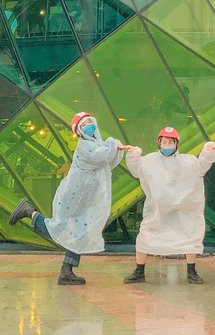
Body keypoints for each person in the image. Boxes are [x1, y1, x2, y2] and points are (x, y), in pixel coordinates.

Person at [8, 111, 129, 286]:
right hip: (74, 197)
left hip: (83, 198)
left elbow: (108, 162)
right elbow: (102, 157)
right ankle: (29, 212)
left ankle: (67, 270)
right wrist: (113, 143)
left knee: (79, 232)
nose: (88, 125)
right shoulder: (85, 146)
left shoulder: (97, 144)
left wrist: (116, 149)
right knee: (60, 229)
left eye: (89, 121)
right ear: (78, 131)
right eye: (83, 124)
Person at [123, 126, 215, 285]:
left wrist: (208, 152)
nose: (167, 145)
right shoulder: (149, 161)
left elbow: (201, 166)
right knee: (145, 237)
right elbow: (136, 169)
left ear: (176, 144)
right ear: (159, 143)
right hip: (157, 212)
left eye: (170, 142)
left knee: (189, 236)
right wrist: (133, 155)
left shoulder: (188, 161)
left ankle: (191, 271)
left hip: (182, 212)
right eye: (164, 142)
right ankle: (139, 271)